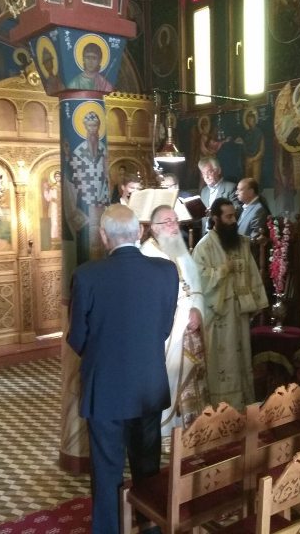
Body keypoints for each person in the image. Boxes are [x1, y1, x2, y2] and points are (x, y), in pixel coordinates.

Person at [67, 204, 178, 534]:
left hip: (105, 388)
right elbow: (164, 328)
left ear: (103, 236)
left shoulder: (87, 275)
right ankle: (150, 525)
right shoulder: (166, 271)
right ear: (140, 232)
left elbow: (77, 337)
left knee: (106, 469)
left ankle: (109, 529)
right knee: (147, 466)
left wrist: (103, 356)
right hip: (148, 385)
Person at [140, 205, 208, 441]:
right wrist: (184, 315)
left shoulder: (181, 251)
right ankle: (167, 433)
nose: (173, 226)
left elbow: (195, 286)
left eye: (175, 220)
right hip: (169, 333)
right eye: (167, 222)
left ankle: (191, 432)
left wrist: (197, 310)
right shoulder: (147, 255)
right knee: (169, 380)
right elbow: (151, 302)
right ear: (154, 228)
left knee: (193, 378)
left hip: (191, 330)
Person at [193, 198, 268, 408]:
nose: (234, 220)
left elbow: (252, 272)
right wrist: (222, 271)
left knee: (241, 359)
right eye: (228, 217)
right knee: (221, 362)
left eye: (234, 216)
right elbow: (197, 279)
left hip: (239, 312)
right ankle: (220, 409)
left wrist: (256, 303)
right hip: (218, 315)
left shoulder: (242, 243)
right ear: (216, 219)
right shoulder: (204, 247)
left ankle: (242, 408)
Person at [63, 111, 110, 265]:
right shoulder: (80, 150)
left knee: (102, 243)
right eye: (89, 126)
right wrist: (68, 156)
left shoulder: (102, 148)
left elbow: (106, 175)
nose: (92, 129)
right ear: (85, 127)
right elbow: (71, 174)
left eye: (95, 126)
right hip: (84, 202)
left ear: (99, 127)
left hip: (101, 202)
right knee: (85, 245)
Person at [198, 157, 237, 231]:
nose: (206, 176)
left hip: (223, 233)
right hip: (206, 234)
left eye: (209, 172)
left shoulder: (230, 188)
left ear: (218, 171)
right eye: (203, 173)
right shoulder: (204, 191)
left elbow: (237, 211)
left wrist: (215, 212)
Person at [236, 109, 264, 182]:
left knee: (255, 181)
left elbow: (261, 151)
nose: (249, 122)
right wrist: (242, 142)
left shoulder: (259, 133)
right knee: (247, 181)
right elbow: (245, 146)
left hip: (256, 160)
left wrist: (253, 159)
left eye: (251, 119)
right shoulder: (247, 133)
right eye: (248, 120)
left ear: (254, 120)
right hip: (247, 159)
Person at [42, 170, 61, 243]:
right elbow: (48, 198)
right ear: (54, 178)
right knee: (54, 221)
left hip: (62, 207)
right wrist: (45, 190)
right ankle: (54, 238)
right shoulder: (53, 187)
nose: (57, 177)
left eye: (59, 176)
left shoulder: (64, 187)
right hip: (55, 206)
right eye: (56, 176)